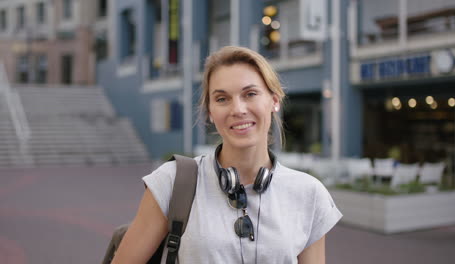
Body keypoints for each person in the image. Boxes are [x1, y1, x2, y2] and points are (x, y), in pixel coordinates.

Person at [112, 46, 342, 264]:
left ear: (274, 101)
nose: (238, 110)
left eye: (250, 94)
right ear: (211, 112)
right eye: (222, 99)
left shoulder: (309, 194)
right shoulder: (172, 182)